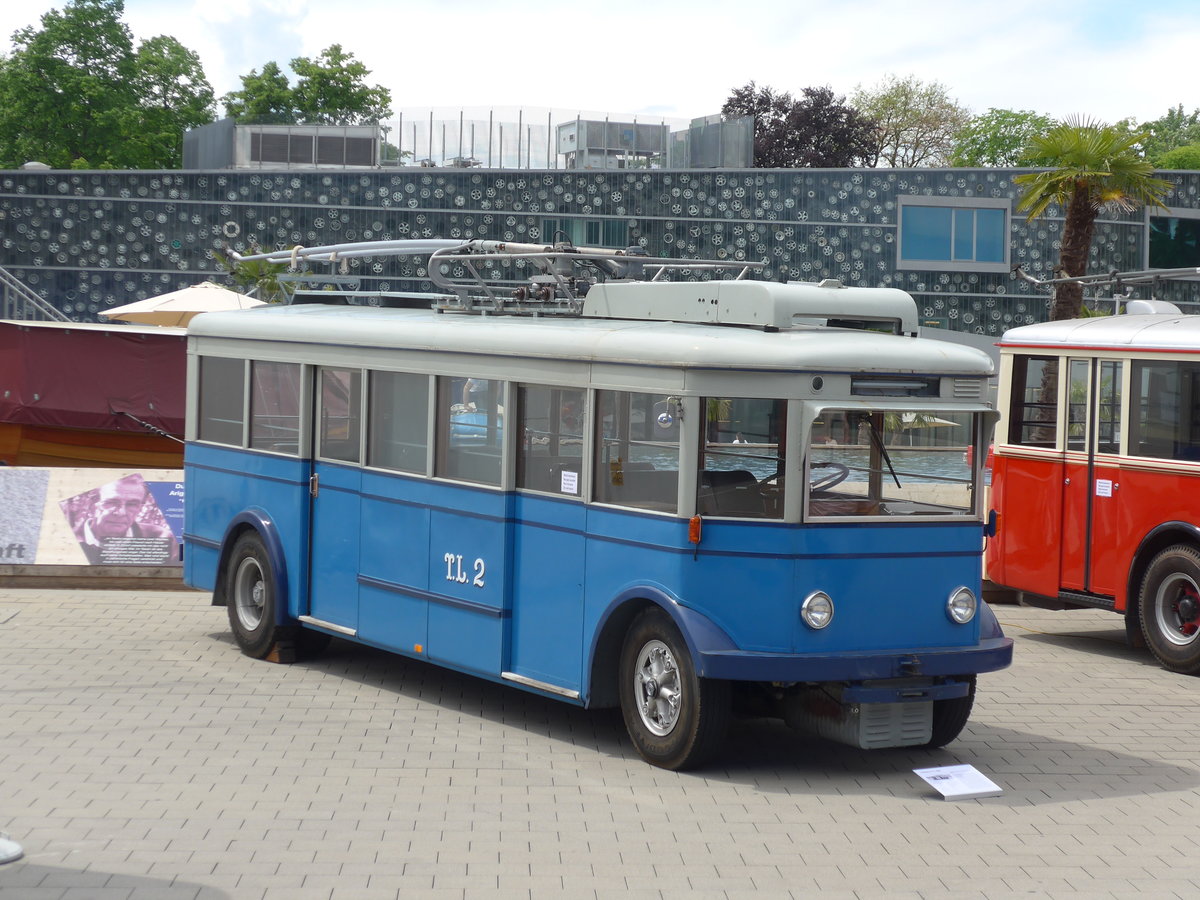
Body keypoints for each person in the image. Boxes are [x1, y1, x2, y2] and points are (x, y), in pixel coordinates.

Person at [73, 474, 176, 565]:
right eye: (112, 502)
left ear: (140, 508)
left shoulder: (163, 539)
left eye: (132, 504)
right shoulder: (69, 539)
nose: (121, 513)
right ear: (92, 504)